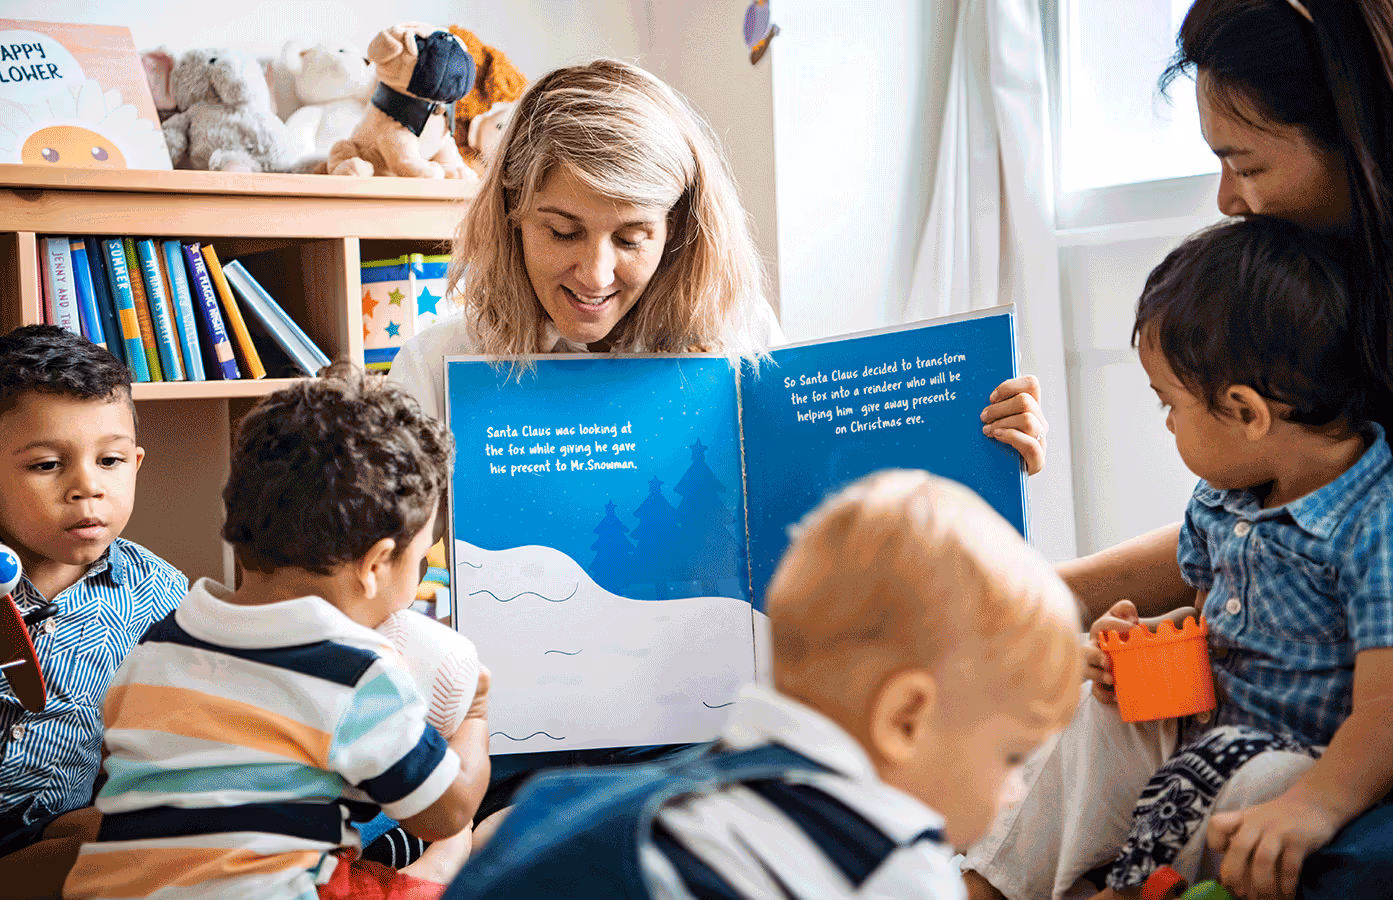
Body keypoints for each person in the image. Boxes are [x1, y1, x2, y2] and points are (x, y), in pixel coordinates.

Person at [387, 56, 1051, 829]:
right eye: (561, 230)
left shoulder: (734, 341)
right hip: (527, 750)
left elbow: (830, 515)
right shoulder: (440, 362)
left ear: (675, 230)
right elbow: (369, 570)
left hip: (718, 732)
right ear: (510, 213)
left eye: (631, 236)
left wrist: (977, 450)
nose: (594, 272)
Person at [964, 218, 1393, 900]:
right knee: (1094, 716)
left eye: (1169, 404)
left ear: (1245, 412)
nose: (1165, 423)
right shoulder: (1220, 499)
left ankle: (1136, 885)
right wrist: (1140, 655)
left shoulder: (1373, 521)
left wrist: (1316, 803)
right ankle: (993, 880)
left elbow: (1384, 707)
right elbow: (1202, 636)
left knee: (1263, 784)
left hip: (1295, 759)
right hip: (1199, 726)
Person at [445, 469, 1082, 899]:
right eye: (1013, 757)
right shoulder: (889, 865)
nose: (1015, 791)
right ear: (906, 719)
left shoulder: (641, 797)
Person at [61, 364, 491, 900]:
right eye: (418, 560)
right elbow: (446, 810)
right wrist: (472, 717)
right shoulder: (356, 673)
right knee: (475, 840)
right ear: (376, 564)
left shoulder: (156, 643)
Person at [1060, 0, 1393, 621]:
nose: (1226, 199)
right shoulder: (1317, 276)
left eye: (1246, 165)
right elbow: (1254, 535)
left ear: (1357, 139)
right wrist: (1047, 593)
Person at [0, 326, 186, 897]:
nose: (87, 488)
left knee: (133, 835)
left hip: (57, 827)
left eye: (109, 461)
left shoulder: (155, 592)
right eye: (47, 465)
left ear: (136, 463)